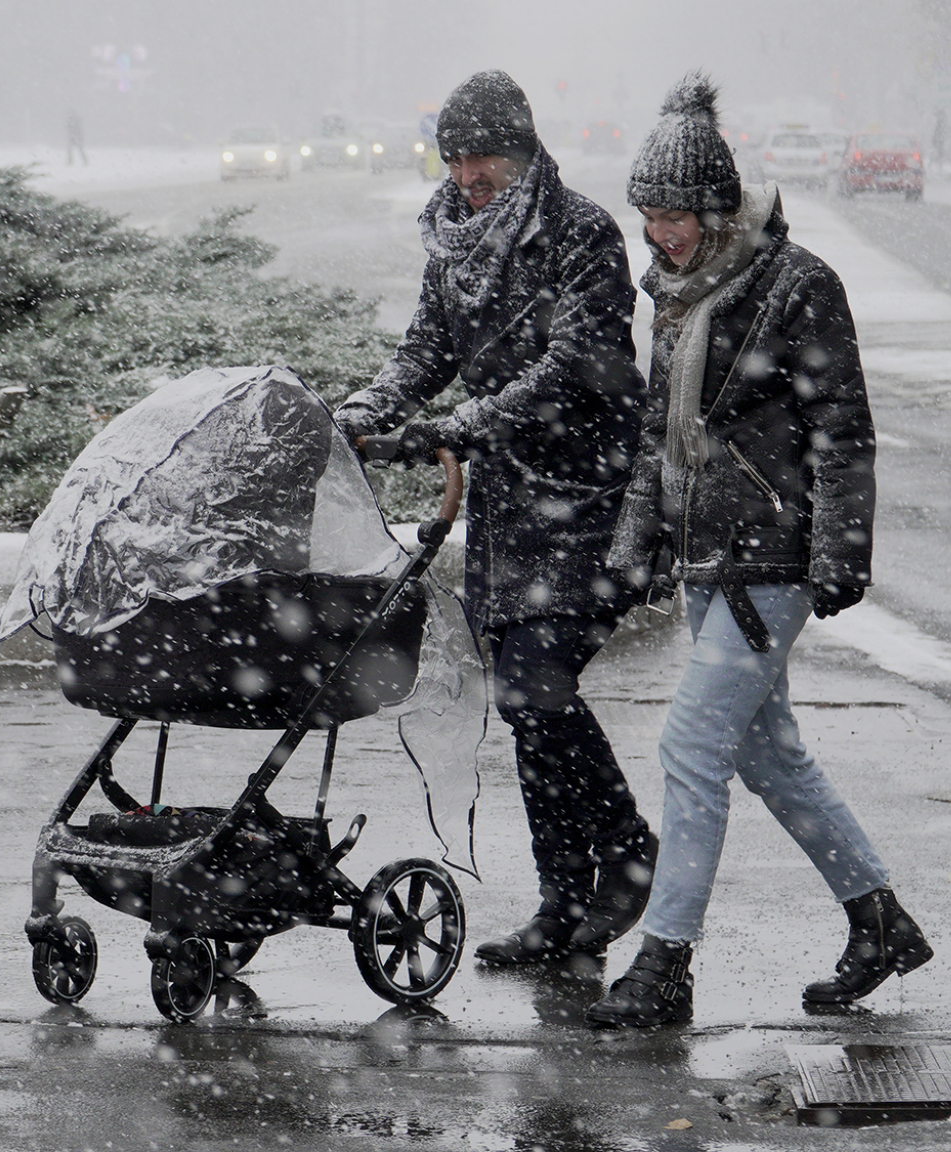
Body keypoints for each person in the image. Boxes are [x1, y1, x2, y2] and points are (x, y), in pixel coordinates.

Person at [586, 72, 931, 1028]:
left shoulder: (797, 286)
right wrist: (632, 551)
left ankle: (664, 965)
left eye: (673, 215)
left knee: (692, 747)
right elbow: (663, 433)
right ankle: (879, 919)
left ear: (716, 206)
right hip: (706, 557)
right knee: (770, 756)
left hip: (769, 560)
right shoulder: (677, 293)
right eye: (648, 215)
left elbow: (843, 430)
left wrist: (840, 552)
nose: (658, 233)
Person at [331, 70, 657, 968]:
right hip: (512, 505)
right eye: (457, 161)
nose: (469, 178)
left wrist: (464, 424)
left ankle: (627, 858)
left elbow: (575, 363)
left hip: (588, 492)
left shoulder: (582, 234)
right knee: (522, 705)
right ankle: (563, 900)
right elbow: (425, 350)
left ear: (524, 153)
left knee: (536, 686)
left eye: (485, 163)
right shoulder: (453, 243)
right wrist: (363, 412)